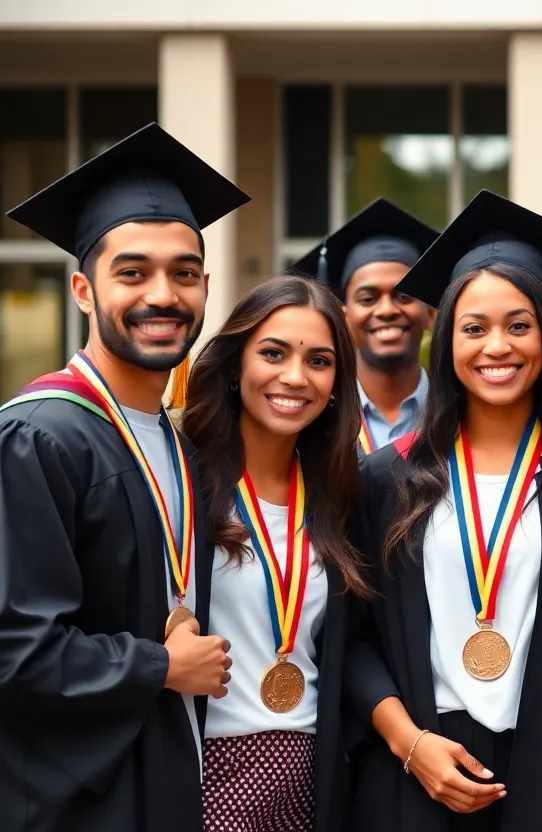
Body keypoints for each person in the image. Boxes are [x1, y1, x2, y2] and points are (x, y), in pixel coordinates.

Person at [0, 123, 247, 830]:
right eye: (132, 273)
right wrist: (158, 668)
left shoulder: (176, 442)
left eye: (185, 273)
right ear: (83, 288)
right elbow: (14, 647)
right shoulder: (38, 436)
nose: (163, 295)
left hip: (162, 784)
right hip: (73, 805)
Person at [345, 190, 542, 831]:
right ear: (445, 340)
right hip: (418, 774)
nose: (498, 346)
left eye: (519, 325)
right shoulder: (388, 477)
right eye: (475, 328)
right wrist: (408, 742)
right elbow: (352, 639)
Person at [179, 275, 372, 831]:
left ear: (337, 382)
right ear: (236, 366)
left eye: (319, 360)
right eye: (273, 353)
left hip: (310, 776)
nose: (295, 376)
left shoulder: (339, 497)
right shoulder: (183, 483)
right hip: (206, 771)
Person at [295, 198, 440, 455]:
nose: (386, 310)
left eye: (403, 296)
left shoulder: (458, 416)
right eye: (368, 299)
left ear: (430, 314)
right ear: (343, 318)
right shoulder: (313, 418)